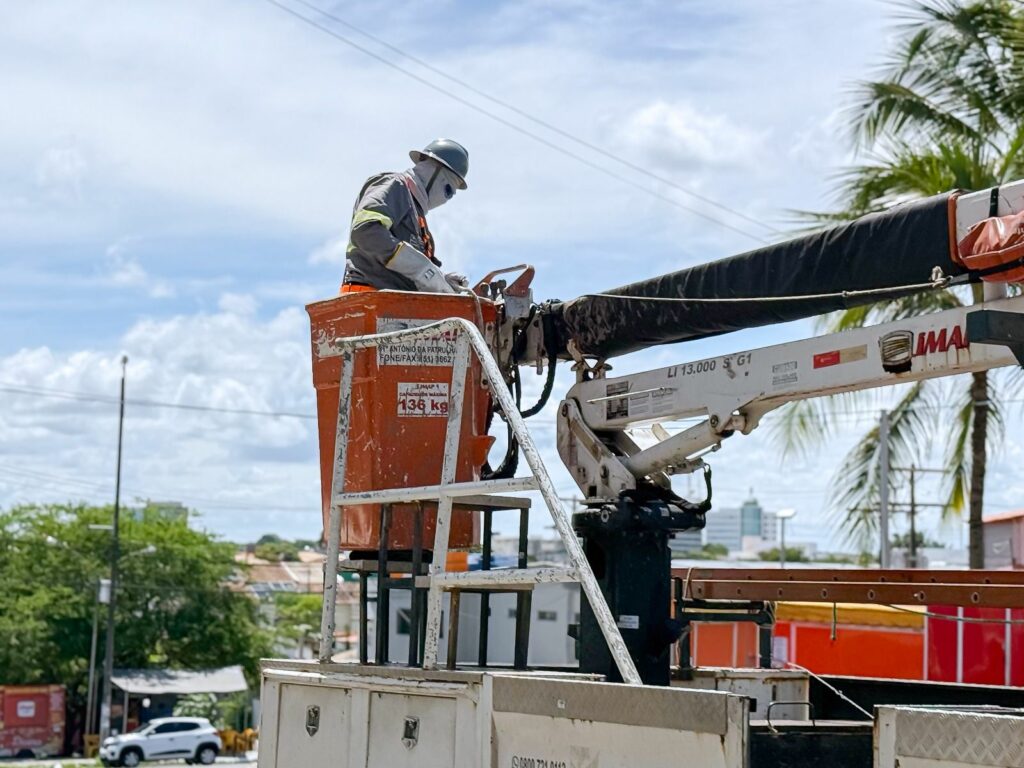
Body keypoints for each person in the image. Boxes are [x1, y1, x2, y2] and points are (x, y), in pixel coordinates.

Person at [341, 139, 469, 294]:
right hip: (369, 295)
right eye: (448, 191)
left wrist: (440, 278)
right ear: (433, 173)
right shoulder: (395, 186)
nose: (445, 200)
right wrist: (420, 268)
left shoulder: (417, 216)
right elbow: (365, 231)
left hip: (395, 301)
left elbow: (413, 272)